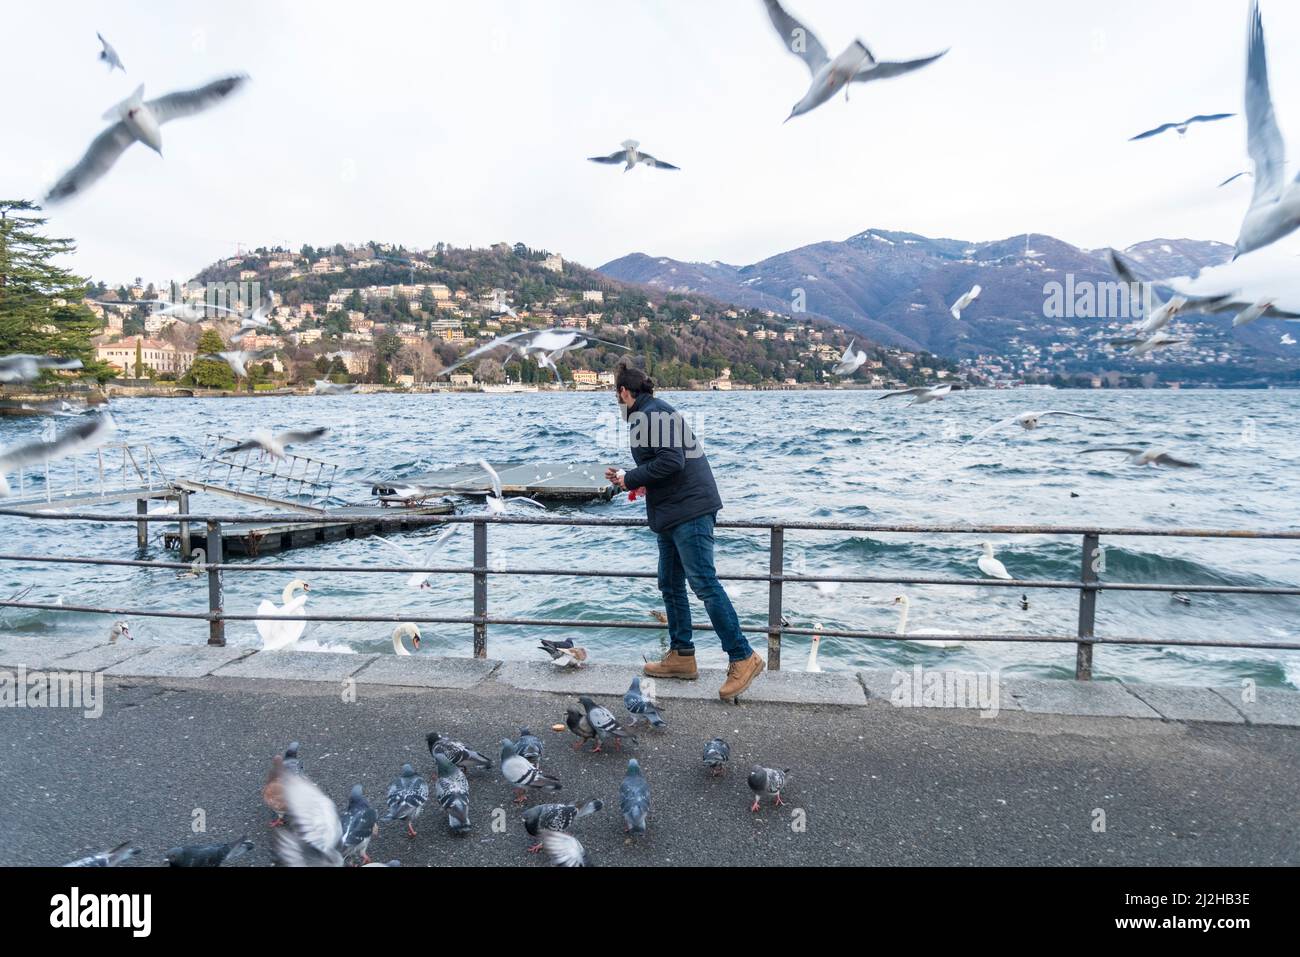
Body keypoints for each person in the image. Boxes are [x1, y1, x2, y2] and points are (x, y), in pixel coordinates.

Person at [605, 360, 765, 701]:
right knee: (671, 583)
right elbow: (666, 465)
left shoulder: (645, 416)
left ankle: (743, 656)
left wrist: (630, 478)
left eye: (616, 394)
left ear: (623, 392)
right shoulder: (654, 411)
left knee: (704, 584)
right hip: (676, 510)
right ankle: (681, 655)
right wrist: (632, 480)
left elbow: (672, 461)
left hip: (689, 512)